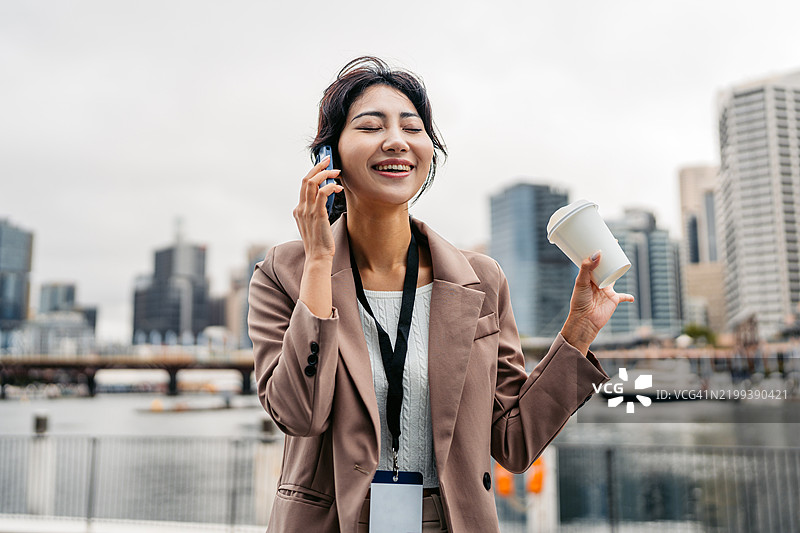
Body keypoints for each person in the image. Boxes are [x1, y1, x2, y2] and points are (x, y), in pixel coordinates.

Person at [248, 56, 634, 533]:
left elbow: (513, 440)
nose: (396, 140)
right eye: (370, 126)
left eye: (412, 127)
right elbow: (298, 414)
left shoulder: (479, 279)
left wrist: (578, 332)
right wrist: (320, 264)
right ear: (329, 157)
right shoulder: (285, 273)